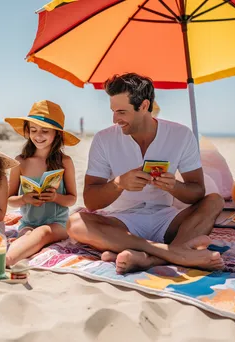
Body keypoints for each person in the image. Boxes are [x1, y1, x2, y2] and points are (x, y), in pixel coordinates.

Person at [67, 73, 225, 274]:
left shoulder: (181, 135)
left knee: (214, 201)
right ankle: (175, 253)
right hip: (121, 222)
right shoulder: (103, 139)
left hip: (166, 218)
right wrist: (118, 184)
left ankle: (147, 259)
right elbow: (91, 201)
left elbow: (197, 192)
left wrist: (175, 187)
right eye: (113, 111)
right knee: (75, 222)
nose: (115, 119)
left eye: (121, 112)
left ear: (143, 106)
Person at [4, 100, 80, 266]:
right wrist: (24, 199)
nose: (38, 136)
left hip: (57, 224)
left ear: (57, 134)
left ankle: (5, 260)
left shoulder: (65, 161)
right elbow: (9, 199)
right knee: (27, 235)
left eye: (45, 131)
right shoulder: (20, 161)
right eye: (33, 130)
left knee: (43, 232)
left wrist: (55, 197)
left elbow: (72, 199)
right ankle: (4, 255)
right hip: (28, 223)